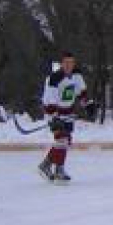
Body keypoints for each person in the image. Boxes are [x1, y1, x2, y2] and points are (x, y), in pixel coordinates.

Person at [39, 51, 91, 183]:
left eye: (71, 62)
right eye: (66, 63)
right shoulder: (54, 78)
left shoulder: (77, 75)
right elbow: (50, 100)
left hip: (68, 111)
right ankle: (58, 169)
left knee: (66, 140)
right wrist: (54, 117)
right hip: (54, 112)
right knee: (61, 139)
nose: (69, 65)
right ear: (61, 64)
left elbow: (82, 92)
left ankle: (46, 165)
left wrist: (88, 105)